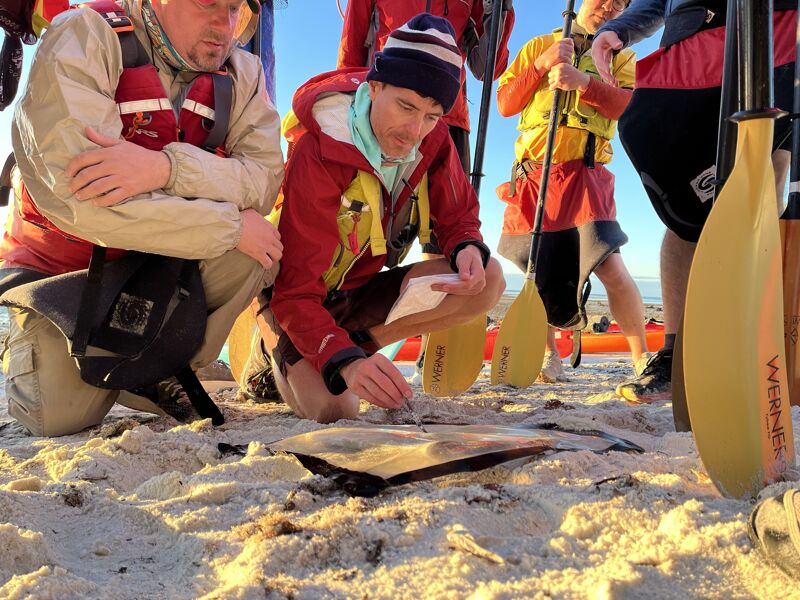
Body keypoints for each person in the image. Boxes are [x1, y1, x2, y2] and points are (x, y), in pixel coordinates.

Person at [0, 0, 284, 436]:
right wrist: (228, 224)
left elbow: (264, 181)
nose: (223, 24)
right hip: (56, 271)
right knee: (55, 417)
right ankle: (23, 341)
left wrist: (165, 168)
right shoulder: (85, 35)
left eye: (234, 9)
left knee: (258, 247)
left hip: (152, 266)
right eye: (208, 3)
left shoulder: (243, 73)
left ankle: (156, 365)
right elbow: (84, 200)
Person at [246, 14, 505, 423]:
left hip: (357, 289)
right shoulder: (322, 149)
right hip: (294, 297)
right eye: (406, 106)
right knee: (337, 409)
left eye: (433, 115)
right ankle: (271, 351)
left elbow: (458, 217)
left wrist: (466, 248)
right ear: (374, 86)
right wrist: (343, 363)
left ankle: (351, 347)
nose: (415, 130)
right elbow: (295, 291)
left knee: (488, 278)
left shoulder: (432, 138)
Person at [591, 0, 796, 402]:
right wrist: (622, 28)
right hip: (691, 41)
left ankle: (752, 345)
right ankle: (676, 356)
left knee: (769, 173)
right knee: (682, 209)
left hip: (778, 30)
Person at [337, 0, 515, 384]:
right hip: (382, 114)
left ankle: (418, 353)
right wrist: (348, 104)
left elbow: (489, 68)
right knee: (356, 227)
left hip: (447, 118)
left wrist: (502, 9)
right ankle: (321, 332)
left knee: (445, 244)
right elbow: (352, 47)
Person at [494, 0, 648, 383]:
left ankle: (642, 358)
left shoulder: (623, 58)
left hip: (586, 175)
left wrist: (585, 83)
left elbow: (628, 108)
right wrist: (540, 65)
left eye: (621, 3)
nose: (610, 7)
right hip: (533, 175)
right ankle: (550, 355)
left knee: (610, 265)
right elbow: (505, 103)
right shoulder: (537, 45)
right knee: (536, 269)